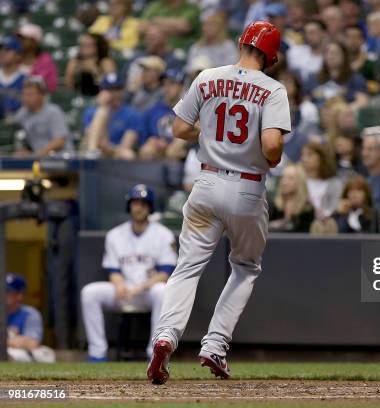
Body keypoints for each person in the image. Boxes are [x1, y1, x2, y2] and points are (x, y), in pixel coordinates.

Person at [148, 21, 291, 385]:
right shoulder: (272, 89)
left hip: (206, 182)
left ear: (242, 43)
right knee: (244, 267)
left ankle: (165, 336)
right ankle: (215, 345)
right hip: (246, 188)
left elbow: (178, 128)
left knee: (186, 268)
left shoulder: (208, 76)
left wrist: (209, 134)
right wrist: (267, 157)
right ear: (271, 56)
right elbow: (273, 146)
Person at [81, 185, 176, 361]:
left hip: (147, 292)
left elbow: (165, 273)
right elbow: (114, 269)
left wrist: (138, 288)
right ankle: (97, 353)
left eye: (143, 204)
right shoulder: (115, 235)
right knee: (90, 292)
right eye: (135, 203)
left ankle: (154, 353)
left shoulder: (163, 235)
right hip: (123, 291)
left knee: (163, 290)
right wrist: (119, 285)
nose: (138, 208)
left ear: (150, 207)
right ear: (129, 205)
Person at [81, 73, 144, 159]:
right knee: (101, 112)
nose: (114, 94)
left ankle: (93, 152)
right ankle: (92, 151)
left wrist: (107, 147)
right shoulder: (91, 111)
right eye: (109, 90)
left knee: (128, 155)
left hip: (114, 152)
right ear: (102, 92)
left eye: (117, 89)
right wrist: (103, 107)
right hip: (92, 150)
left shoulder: (132, 114)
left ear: (123, 90)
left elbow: (125, 146)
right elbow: (88, 136)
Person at [13, 76, 73, 157]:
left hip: (60, 158)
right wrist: (23, 151)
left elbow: (60, 141)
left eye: (30, 95)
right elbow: (19, 137)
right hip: (37, 159)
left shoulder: (53, 112)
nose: (26, 98)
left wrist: (36, 154)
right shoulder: (22, 114)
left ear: (42, 95)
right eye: (24, 94)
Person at [6, 273, 56, 363]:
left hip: (18, 353)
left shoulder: (30, 314)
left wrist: (6, 342)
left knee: (46, 354)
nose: (4, 294)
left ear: (20, 295)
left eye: (9, 291)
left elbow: (32, 343)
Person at [305, 41, 368, 110]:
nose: (331, 56)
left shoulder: (355, 78)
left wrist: (343, 111)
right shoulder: (313, 78)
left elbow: (362, 102)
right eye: (328, 53)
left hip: (345, 116)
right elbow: (305, 103)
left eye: (335, 53)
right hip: (318, 116)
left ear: (344, 56)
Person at [140, 68, 187, 160]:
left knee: (174, 151)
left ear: (181, 87)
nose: (167, 87)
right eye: (164, 84)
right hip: (157, 151)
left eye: (172, 84)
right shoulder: (153, 110)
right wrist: (154, 141)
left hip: (180, 152)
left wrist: (170, 143)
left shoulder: (189, 109)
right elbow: (144, 138)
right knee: (147, 150)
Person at [301, 141, 345, 218]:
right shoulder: (299, 182)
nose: (304, 159)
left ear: (321, 158)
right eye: (303, 155)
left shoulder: (335, 184)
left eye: (310, 155)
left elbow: (336, 208)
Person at [268, 164, 315, 232]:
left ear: (300, 181)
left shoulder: (308, 211)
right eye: (283, 177)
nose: (284, 182)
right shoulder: (273, 208)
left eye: (290, 178)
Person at [17, 24, 57, 92]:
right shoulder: (14, 58)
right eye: (20, 38)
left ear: (34, 41)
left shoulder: (47, 62)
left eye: (24, 39)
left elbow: (51, 87)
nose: (20, 41)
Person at [0, 36, 26, 120]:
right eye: (1, 49)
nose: (2, 53)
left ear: (18, 55)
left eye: (7, 50)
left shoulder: (27, 80)